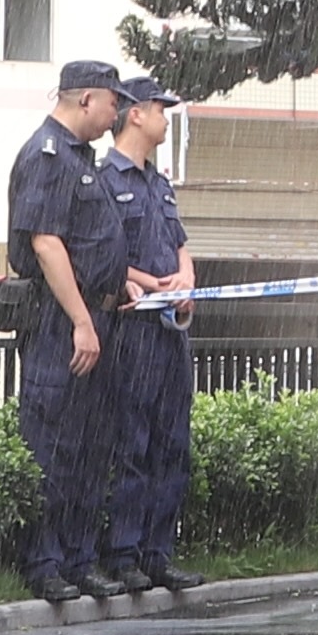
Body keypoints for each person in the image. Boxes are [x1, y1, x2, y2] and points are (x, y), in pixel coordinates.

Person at [4, 51, 128, 620]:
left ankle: (78, 559)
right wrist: (81, 319)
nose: (115, 114)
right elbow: (47, 243)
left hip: (94, 317)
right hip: (61, 323)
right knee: (52, 443)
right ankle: (45, 563)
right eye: (111, 102)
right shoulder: (47, 155)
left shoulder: (80, 158)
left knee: (87, 445)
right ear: (85, 98)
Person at [97, 71, 200, 607]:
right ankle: (124, 554)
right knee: (131, 446)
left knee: (172, 445)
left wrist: (184, 280)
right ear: (135, 112)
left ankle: (159, 555)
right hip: (132, 332)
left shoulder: (160, 184)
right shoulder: (104, 179)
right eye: (159, 108)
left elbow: (181, 245)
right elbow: (103, 255)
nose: (165, 118)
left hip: (170, 336)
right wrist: (142, 281)